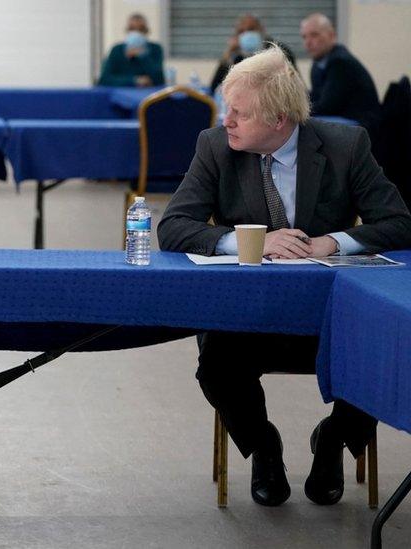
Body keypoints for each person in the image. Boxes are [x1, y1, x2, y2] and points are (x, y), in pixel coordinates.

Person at [158, 48, 411, 507]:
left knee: (379, 349)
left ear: (279, 119)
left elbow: (399, 223)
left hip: (332, 316)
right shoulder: (215, 146)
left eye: (240, 112)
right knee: (216, 365)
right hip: (248, 316)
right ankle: (264, 447)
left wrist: (332, 242)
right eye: (226, 107)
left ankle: (334, 440)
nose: (227, 120)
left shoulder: (345, 146)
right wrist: (252, 241)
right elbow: (173, 227)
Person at [300, 13, 381, 140]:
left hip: (360, 124)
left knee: (304, 126)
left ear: (332, 35)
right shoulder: (318, 64)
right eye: (304, 37)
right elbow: (316, 98)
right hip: (342, 118)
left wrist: (296, 111)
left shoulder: (340, 62)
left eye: (314, 35)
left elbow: (327, 106)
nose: (308, 42)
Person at [209, 14, 296, 95]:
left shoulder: (280, 52)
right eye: (241, 31)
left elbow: (293, 86)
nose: (246, 34)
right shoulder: (237, 57)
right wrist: (228, 55)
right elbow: (214, 87)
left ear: (261, 30)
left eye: (251, 29)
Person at [97, 13, 164, 88]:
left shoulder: (155, 49)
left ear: (146, 31)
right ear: (127, 31)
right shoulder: (117, 50)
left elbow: (159, 79)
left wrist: (143, 56)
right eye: (132, 29)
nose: (136, 33)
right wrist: (134, 80)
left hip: (147, 95)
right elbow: (104, 80)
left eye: (141, 29)